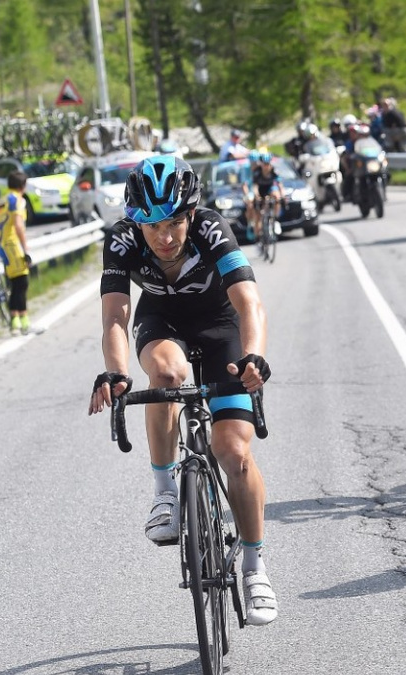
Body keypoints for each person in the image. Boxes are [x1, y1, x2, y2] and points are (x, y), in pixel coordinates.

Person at [86, 156, 278, 626]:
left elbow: (249, 303)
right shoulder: (122, 239)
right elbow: (115, 316)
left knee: (234, 453)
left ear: (191, 213)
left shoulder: (213, 229)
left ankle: (254, 567)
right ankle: (165, 491)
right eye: (152, 224)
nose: (165, 236)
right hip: (163, 322)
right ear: (136, 219)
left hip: (220, 326)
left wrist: (252, 356)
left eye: (175, 221)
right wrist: (115, 371)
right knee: (167, 376)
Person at [0, 171, 35, 335]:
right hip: (13, 244)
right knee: (22, 282)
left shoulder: (2, 199)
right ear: (22, 186)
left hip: (2, 245)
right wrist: (25, 248)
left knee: (14, 283)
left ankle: (15, 322)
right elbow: (18, 225)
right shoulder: (17, 200)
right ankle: (23, 321)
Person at [244, 151, 284, 243]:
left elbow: (279, 184)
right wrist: (256, 195)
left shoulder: (274, 170)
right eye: (264, 164)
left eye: (267, 164)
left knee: (276, 197)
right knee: (257, 213)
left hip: (269, 189)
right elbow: (255, 186)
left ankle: (275, 219)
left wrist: (282, 195)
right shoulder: (257, 172)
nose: (266, 166)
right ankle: (257, 236)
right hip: (260, 190)